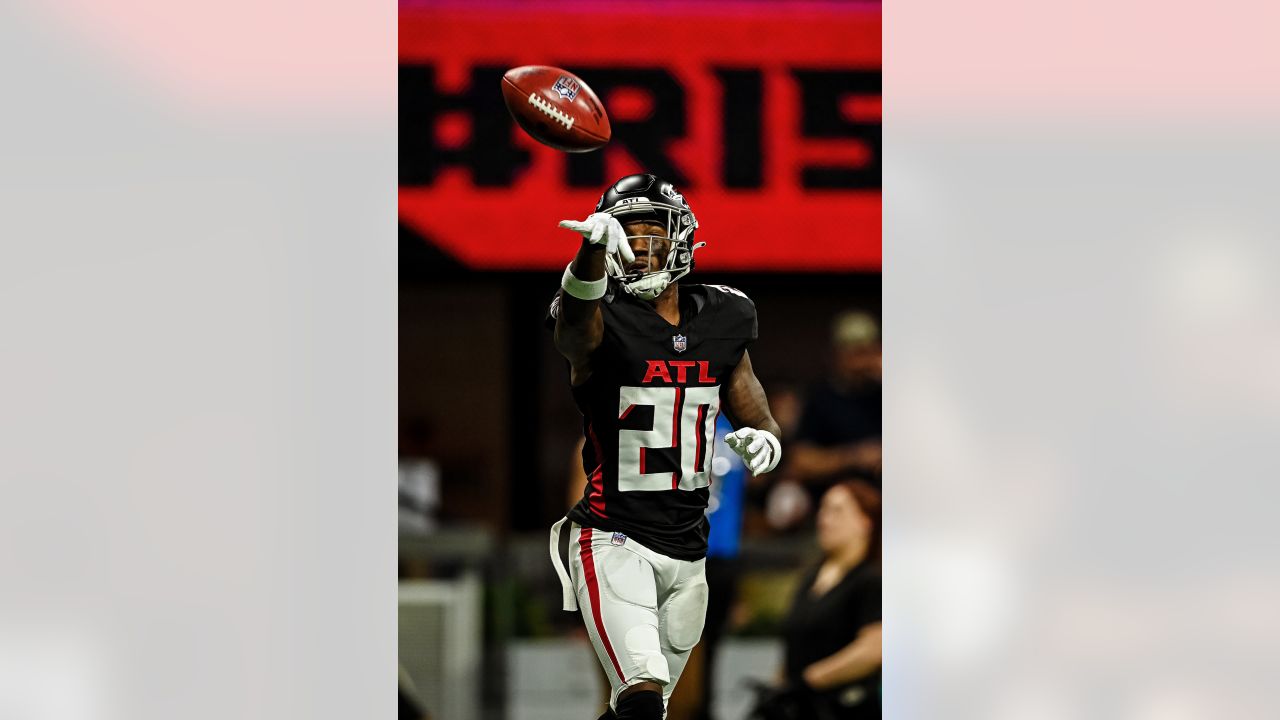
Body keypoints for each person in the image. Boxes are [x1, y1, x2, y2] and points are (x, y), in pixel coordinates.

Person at [546, 173, 783, 720]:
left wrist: (766, 438)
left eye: (650, 235)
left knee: (642, 707)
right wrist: (587, 255)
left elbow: (756, 410)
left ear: (682, 239)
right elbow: (573, 333)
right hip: (614, 537)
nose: (638, 253)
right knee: (643, 694)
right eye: (623, 240)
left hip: (691, 548)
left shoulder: (725, 317)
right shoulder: (598, 313)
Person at [777, 480, 882, 719]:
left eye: (837, 511)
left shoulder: (872, 580)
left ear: (865, 521)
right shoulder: (811, 577)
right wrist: (781, 687)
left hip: (845, 707)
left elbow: (875, 650)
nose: (825, 519)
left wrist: (813, 678)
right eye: (823, 509)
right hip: (802, 708)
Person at [789, 312, 882, 489]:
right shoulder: (821, 399)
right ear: (837, 355)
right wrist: (856, 457)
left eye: (869, 352)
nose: (862, 363)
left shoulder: (883, 394)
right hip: (839, 497)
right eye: (856, 353)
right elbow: (799, 462)